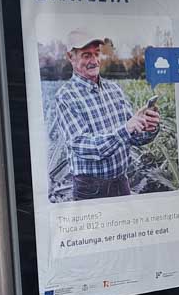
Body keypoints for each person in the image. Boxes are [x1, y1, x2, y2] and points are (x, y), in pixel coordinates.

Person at [50, 31, 161, 200]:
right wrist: (125, 129)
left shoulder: (114, 90)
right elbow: (82, 146)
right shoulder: (66, 96)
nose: (94, 61)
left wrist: (147, 126)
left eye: (96, 54)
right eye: (86, 55)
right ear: (70, 57)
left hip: (121, 181)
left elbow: (134, 138)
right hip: (90, 188)